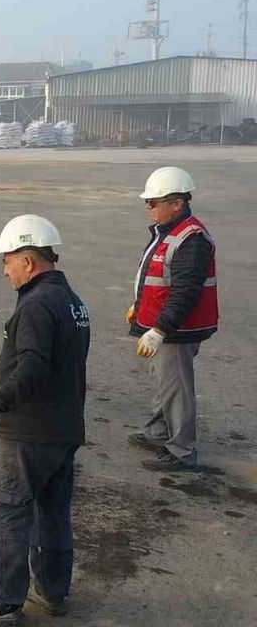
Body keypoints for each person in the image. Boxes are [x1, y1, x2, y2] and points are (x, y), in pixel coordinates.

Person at [0, 214, 89, 626]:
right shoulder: (71, 301)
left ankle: (4, 605)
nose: (5, 268)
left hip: (31, 433)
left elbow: (32, 370)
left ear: (29, 261)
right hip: (63, 428)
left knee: (9, 512)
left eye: (8, 259)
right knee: (53, 513)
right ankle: (52, 592)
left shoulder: (36, 304)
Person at [125, 167, 217, 472]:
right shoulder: (168, 232)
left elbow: (185, 293)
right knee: (164, 383)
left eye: (154, 202)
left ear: (177, 203)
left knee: (176, 388)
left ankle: (181, 450)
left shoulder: (191, 239)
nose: (149, 208)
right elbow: (155, 277)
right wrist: (138, 308)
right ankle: (157, 432)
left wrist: (160, 329)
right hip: (159, 324)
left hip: (176, 329)